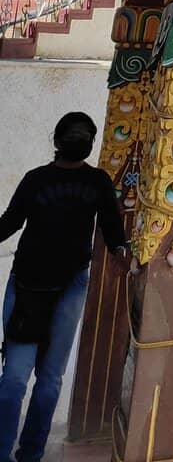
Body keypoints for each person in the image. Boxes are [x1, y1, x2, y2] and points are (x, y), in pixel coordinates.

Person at [0, 112, 126, 462]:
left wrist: (123, 253)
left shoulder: (98, 182)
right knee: (14, 379)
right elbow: (10, 222)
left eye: (84, 135)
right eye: (74, 134)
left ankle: (30, 454)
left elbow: (112, 228)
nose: (78, 139)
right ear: (56, 139)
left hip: (70, 286)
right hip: (26, 287)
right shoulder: (35, 179)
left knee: (50, 378)